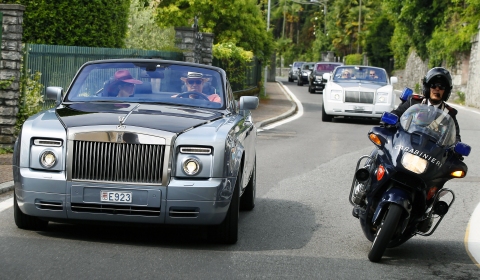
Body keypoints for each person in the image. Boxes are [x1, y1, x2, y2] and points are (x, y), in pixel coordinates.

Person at [391, 67, 461, 143]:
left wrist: (457, 145)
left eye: (441, 86)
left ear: (446, 91)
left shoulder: (449, 113)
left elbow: (456, 137)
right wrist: (390, 118)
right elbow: (397, 113)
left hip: (433, 152)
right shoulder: (413, 102)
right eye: (433, 85)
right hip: (408, 144)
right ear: (427, 87)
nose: (437, 89)